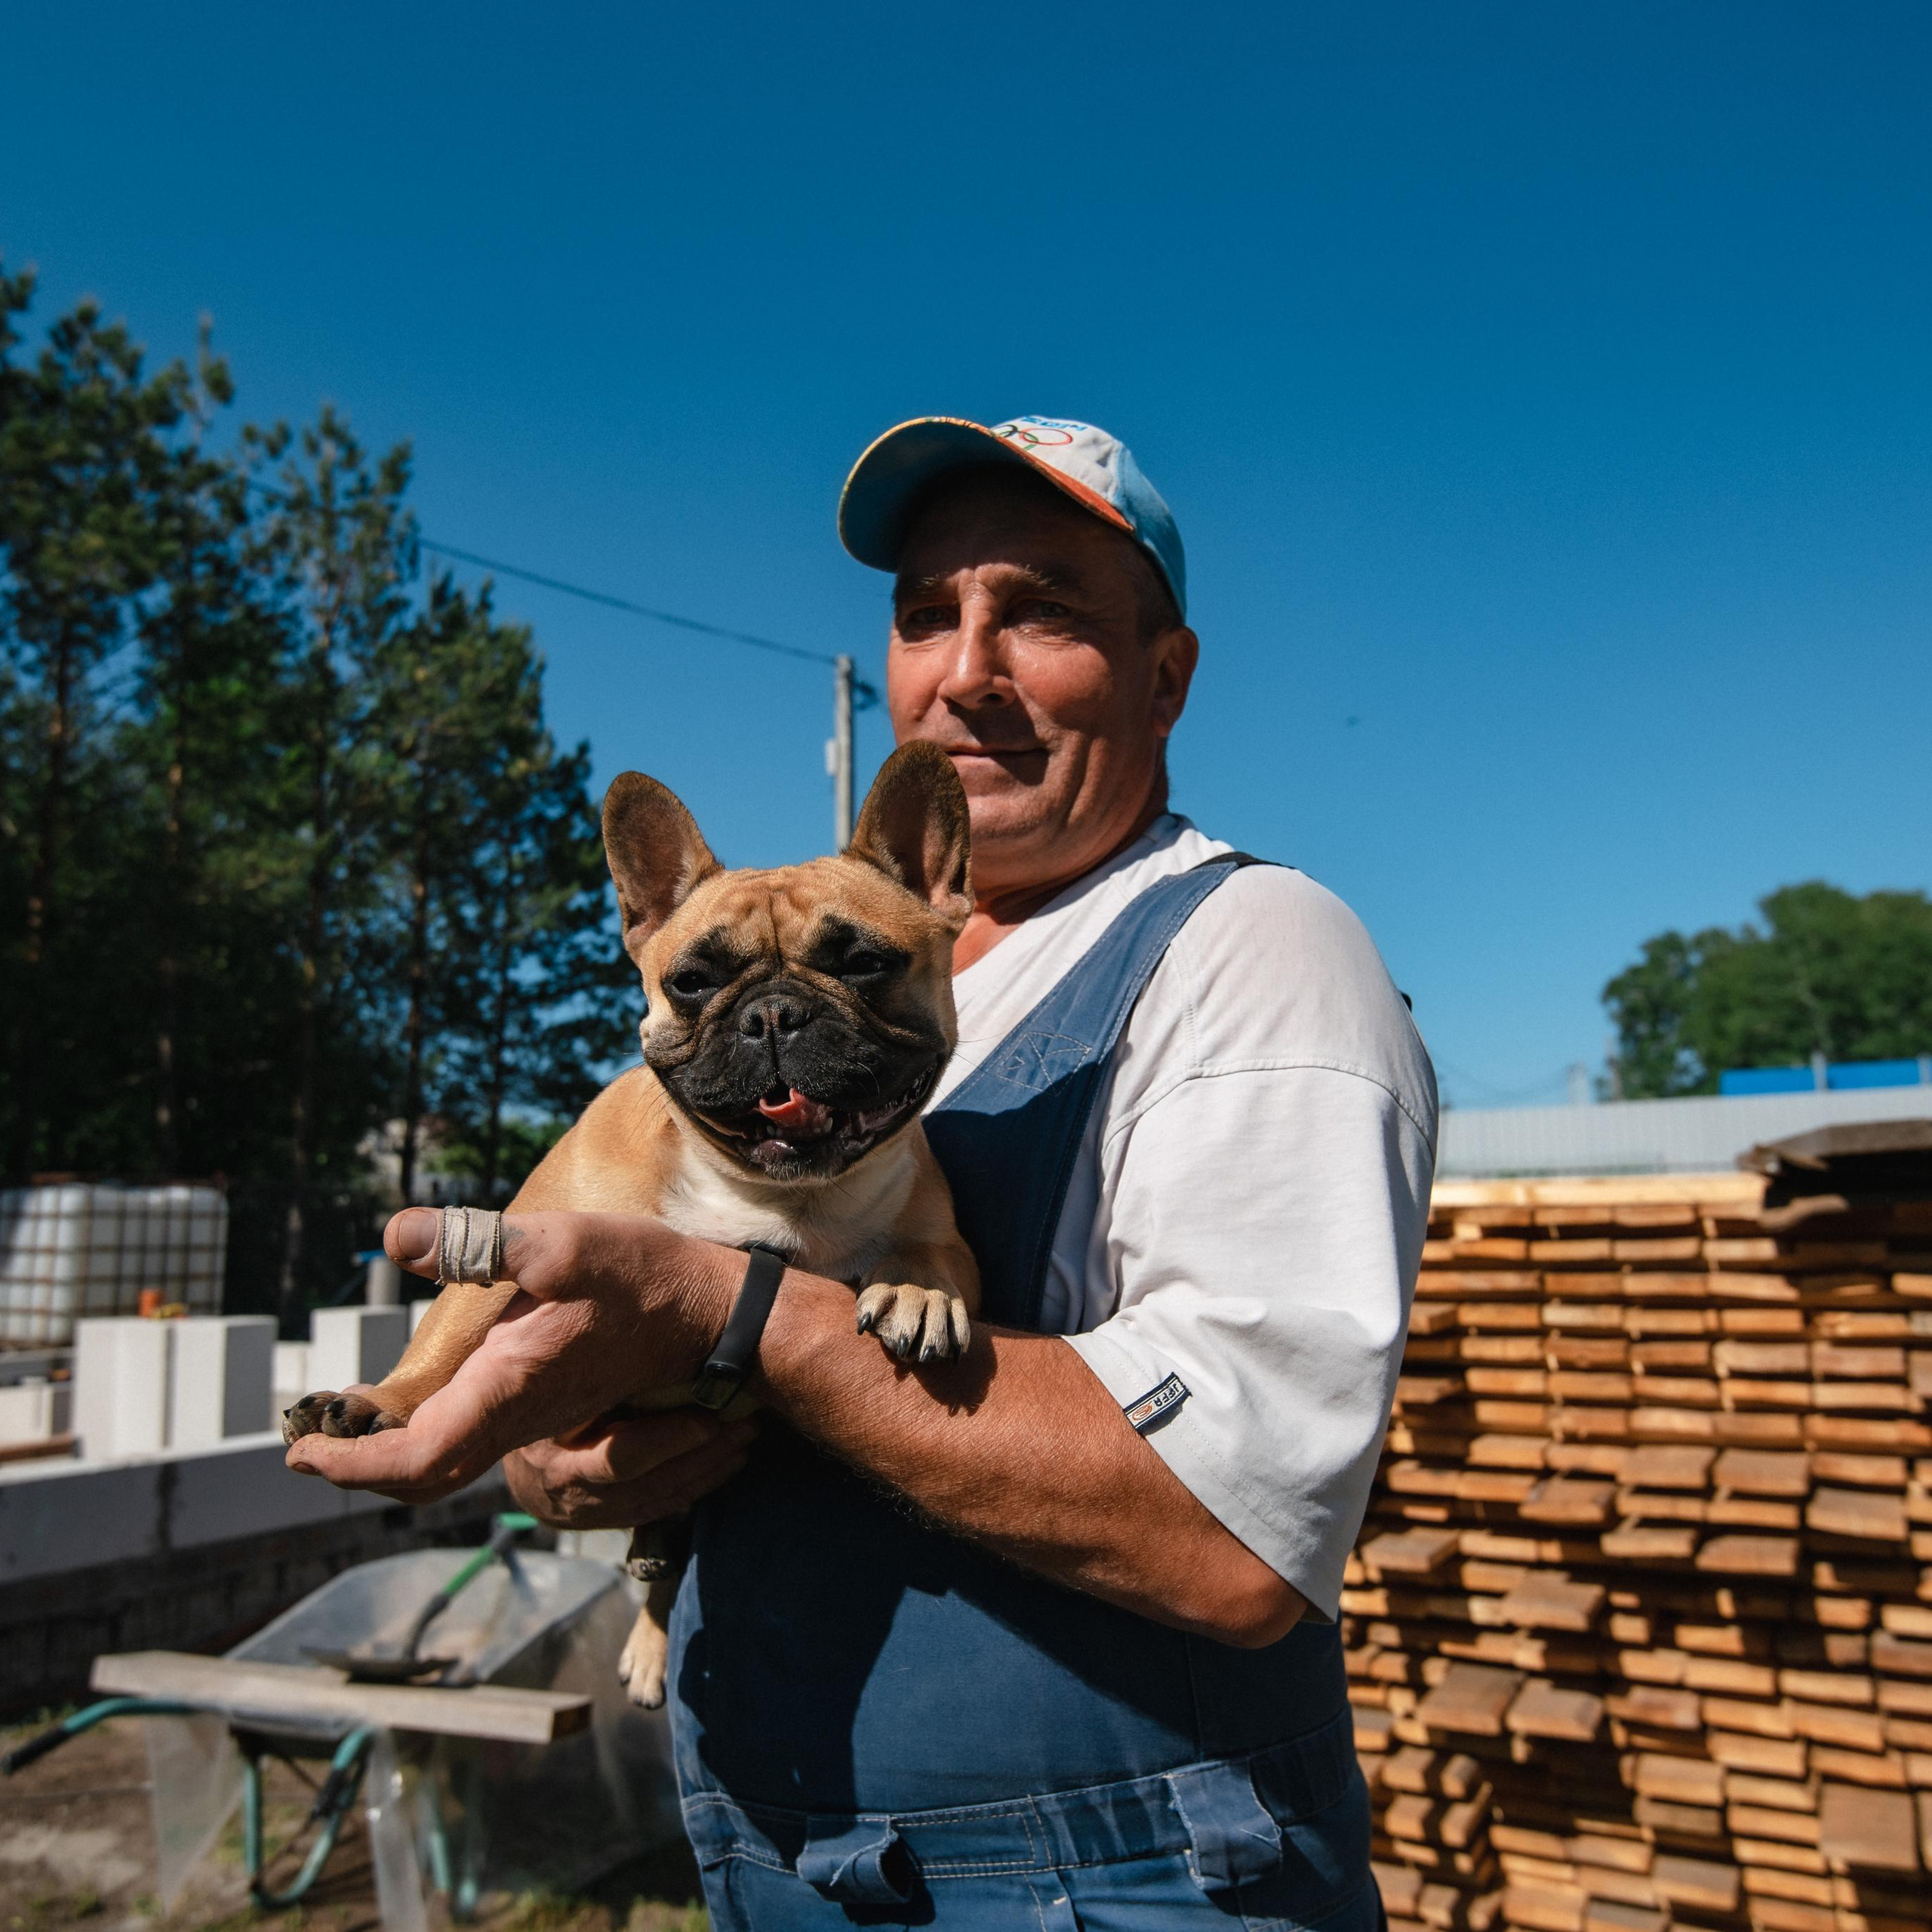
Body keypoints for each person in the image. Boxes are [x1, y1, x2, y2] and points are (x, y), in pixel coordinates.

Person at [290, 414, 1438, 1928]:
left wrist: (733, 1314)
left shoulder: (1250, 955)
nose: (967, 669)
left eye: (1040, 610)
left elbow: (1235, 1535)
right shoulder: (882, 965)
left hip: (1120, 1883)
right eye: (923, 614)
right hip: (783, 1851)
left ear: (1164, 675)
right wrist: (561, 1457)